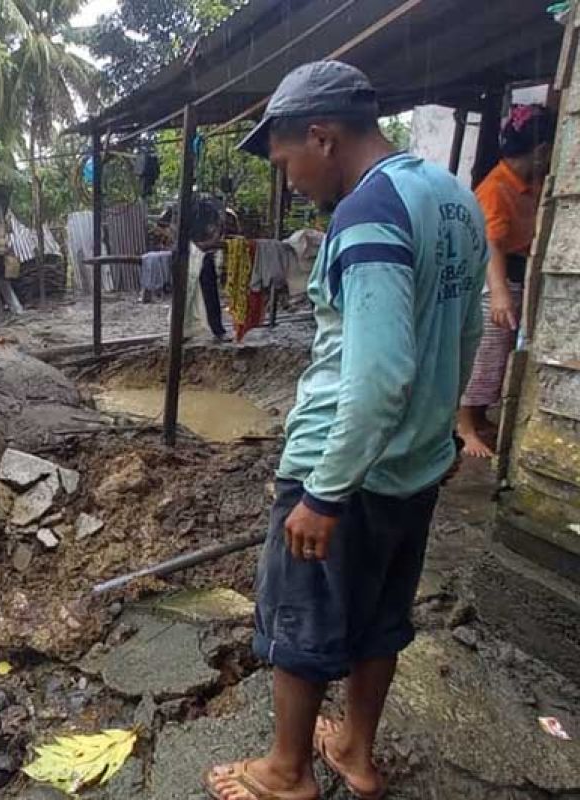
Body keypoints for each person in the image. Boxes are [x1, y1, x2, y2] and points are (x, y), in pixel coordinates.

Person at [202, 61, 486, 800]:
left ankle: (286, 771)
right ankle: (356, 753)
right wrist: (446, 431)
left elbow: (379, 369)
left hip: (346, 466)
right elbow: (465, 331)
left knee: (301, 616)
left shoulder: (367, 213)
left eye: (286, 160)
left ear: (322, 137)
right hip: (415, 464)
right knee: (381, 614)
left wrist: (324, 493)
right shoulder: (453, 198)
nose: (288, 180)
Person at [457, 105, 555, 458]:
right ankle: (464, 426)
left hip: (514, 275)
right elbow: (491, 244)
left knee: (499, 354)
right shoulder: (496, 187)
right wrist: (499, 293)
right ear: (542, 150)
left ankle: (479, 418)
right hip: (491, 278)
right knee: (483, 353)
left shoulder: (529, 186)